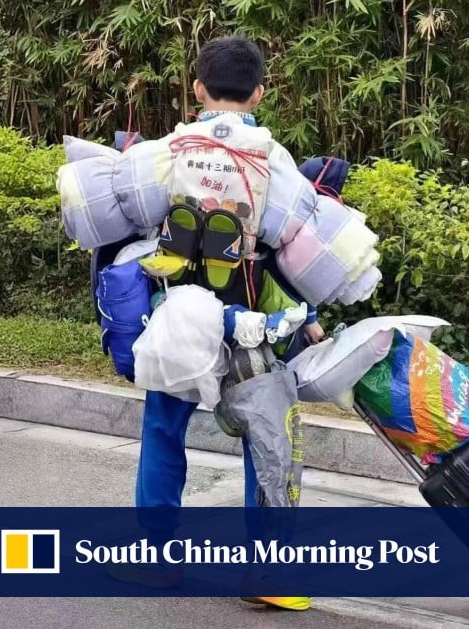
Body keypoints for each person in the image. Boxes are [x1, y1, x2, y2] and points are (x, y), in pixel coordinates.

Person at [119, 36, 323, 611]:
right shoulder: (272, 158)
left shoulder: (167, 150)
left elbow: (133, 222)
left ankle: (156, 563)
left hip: (178, 316)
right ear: (260, 92)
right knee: (267, 437)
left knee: (163, 430)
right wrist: (309, 319)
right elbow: (299, 246)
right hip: (250, 319)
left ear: (198, 89)